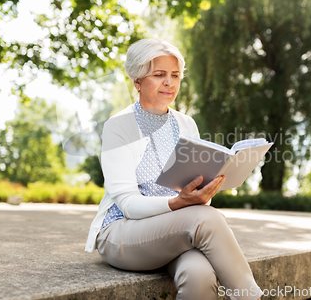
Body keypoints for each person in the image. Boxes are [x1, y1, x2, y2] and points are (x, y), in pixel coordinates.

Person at [85, 38, 262, 300]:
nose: (170, 83)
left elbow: (195, 192)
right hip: (122, 232)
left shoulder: (186, 124)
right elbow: (127, 204)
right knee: (207, 217)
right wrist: (178, 202)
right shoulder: (118, 126)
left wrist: (205, 191)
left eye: (175, 75)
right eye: (159, 75)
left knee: (199, 275)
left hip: (172, 232)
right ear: (137, 81)